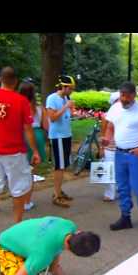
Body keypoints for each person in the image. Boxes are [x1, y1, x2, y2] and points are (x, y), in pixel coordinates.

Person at [0, 67, 40, 244]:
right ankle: (17, 228)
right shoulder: (21, 101)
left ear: (0, 79)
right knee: (18, 188)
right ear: (16, 81)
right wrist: (34, 150)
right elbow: (28, 129)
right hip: (14, 153)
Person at [103, 82, 138, 232]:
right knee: (122, 188)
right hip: (119, 154)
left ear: (134, 95)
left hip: (135, 154)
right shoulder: (115, 108)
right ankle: (125, 217)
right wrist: (107, 138)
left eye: (128, 96)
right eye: (122, 96)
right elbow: (110, 127)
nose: (124, 99)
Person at [46, 75, 76, 208]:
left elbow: (65, 116)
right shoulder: (52, 98)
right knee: (59, 166)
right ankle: (56, 195)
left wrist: (73, 112)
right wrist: (65, 107)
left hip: (66, 135)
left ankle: (59, 190)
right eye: (70, 88)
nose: (72, 91)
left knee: (64, 165)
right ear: (63, 87)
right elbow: (52, 118)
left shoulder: (66, 98)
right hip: (57, 136)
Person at [18, 82, 48, 211]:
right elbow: (46, 126)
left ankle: (19, 198)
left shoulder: (17, 107)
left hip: (20, 135)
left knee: (19, 170)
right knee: (30, 171)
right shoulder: (40, 109)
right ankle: (27, 201)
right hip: (36, 135)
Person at [100, 92, 120, 202]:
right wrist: (102, 148)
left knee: (119, 170)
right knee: (109, 170)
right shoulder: (106, 116)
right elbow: (103, 133)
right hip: (110, 147)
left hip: (122, 147)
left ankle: (118, 188)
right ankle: (109, 193)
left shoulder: (125, 114)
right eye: (118, 100)